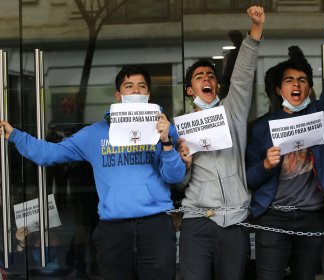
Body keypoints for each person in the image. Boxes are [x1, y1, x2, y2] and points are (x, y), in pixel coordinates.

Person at [0, 65, 186, 280]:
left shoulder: (165, 129)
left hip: (156, 226)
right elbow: (50, 153)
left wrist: (166, 141)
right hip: (114, 229)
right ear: (118, 96)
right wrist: (15, 135)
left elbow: (174, 176)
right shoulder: (93, 134)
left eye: (141, 86)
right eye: (129, 86)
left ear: (148, 95)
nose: (135, 91)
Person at [246, 24, 324, 280]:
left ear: (308, 89)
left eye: (302, 81)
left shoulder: (319, 117)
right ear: (279, 90)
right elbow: (249, 178)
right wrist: (266, 165)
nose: (296, 85)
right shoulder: (260, 128)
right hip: (272, 218)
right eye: (290, 80)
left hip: (312, 216)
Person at [176, 6, 265, 280]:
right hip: (196, 221)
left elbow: (241, 79)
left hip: (235, 220)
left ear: (216, 86)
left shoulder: (232, 113)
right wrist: (185, 165)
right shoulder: (179, 128)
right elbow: (177, 184)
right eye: (200, 77)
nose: (207, 79)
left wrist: (255, 32)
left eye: (211, 76)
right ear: (190, 90)